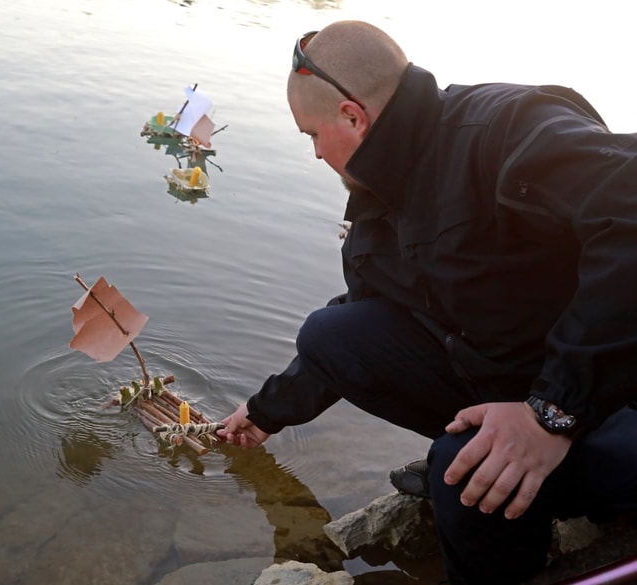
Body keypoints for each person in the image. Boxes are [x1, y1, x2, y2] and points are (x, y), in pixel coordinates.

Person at [215, 19, 637, 585]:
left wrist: (550, 415)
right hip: (534, 386)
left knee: (457, 474)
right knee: (331, 332)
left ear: (351, 116)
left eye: (311, 134)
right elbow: (364, 330)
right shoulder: (379, 211)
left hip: (613, 398)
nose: (315, 154)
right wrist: (264, 413)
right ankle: (521, 480)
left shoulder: (506, 129)